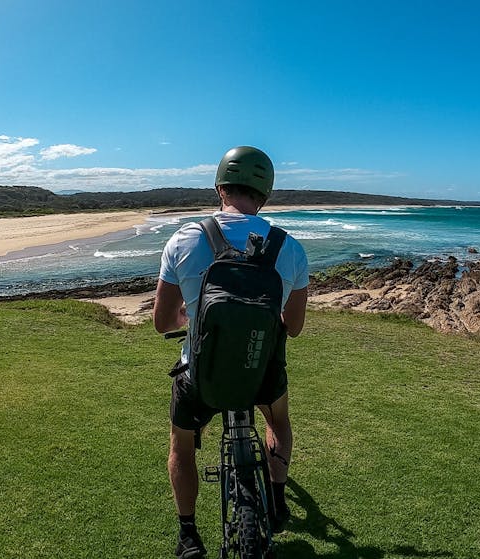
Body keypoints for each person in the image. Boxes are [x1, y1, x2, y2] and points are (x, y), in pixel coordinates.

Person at [153, 146, 309, 558]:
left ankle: (188, 534)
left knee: (181, 445)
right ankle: (276, 497)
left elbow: (162, 322)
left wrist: (192, 318)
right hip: (261, 371)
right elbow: (293, 327)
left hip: (199, 375)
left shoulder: (184, 240)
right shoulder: (290, 248)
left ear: (220, 186)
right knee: (279, 419)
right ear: (266, 194)